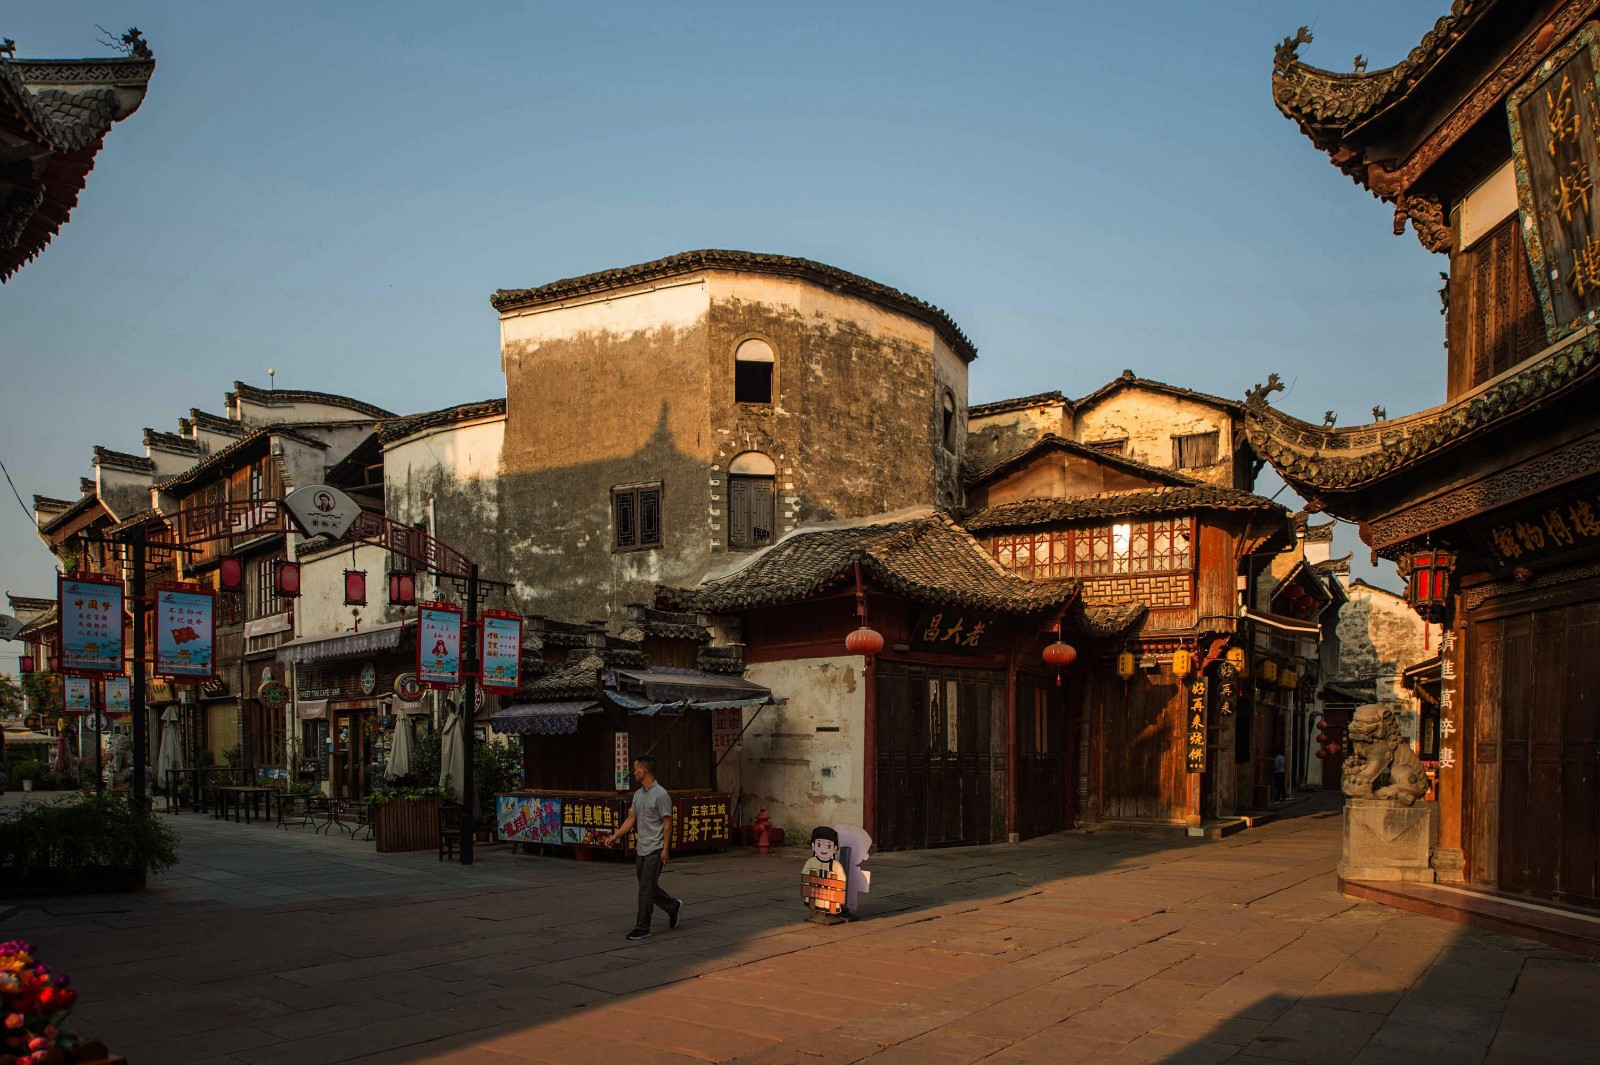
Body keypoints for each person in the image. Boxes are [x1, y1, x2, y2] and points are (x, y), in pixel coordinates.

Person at [604, 756, 681, 940]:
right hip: (642, 848)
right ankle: (672, 906)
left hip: (655, 848)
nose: (634, 772)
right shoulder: (639, 794)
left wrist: (665, 848)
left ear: (643, 771)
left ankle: (643, 927)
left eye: (635, 769)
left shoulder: (661, 794)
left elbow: (668, 823)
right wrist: (615, 836)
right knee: (647, 887)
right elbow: (631, 819)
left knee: (645, 889)